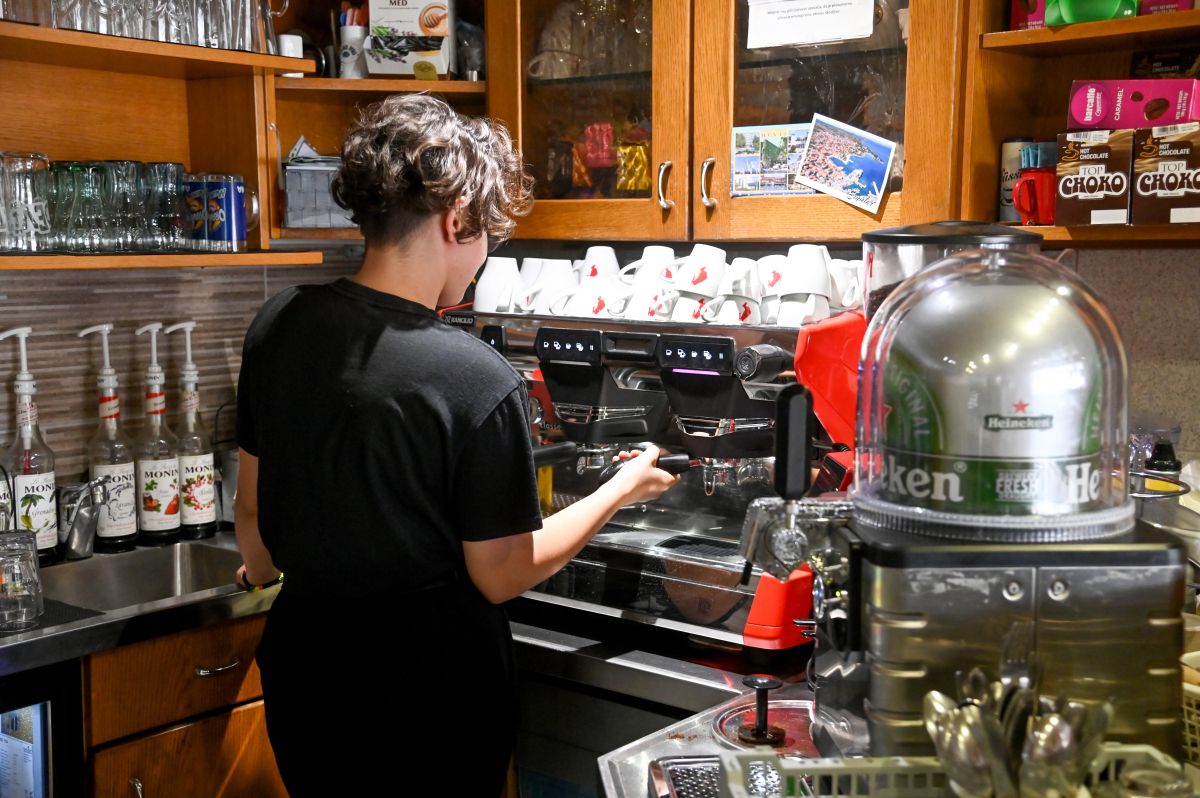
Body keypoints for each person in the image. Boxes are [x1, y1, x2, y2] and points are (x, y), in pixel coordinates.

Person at [233, 94, 679, 796]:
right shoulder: (476, 376)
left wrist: (267, 570)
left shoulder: (280, 323)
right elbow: (501, 571)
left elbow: (254, 521)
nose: (484, 254)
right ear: (457, 217)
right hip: (428, 703)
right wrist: (619, 490)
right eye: (487, 234)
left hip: (307, 686)